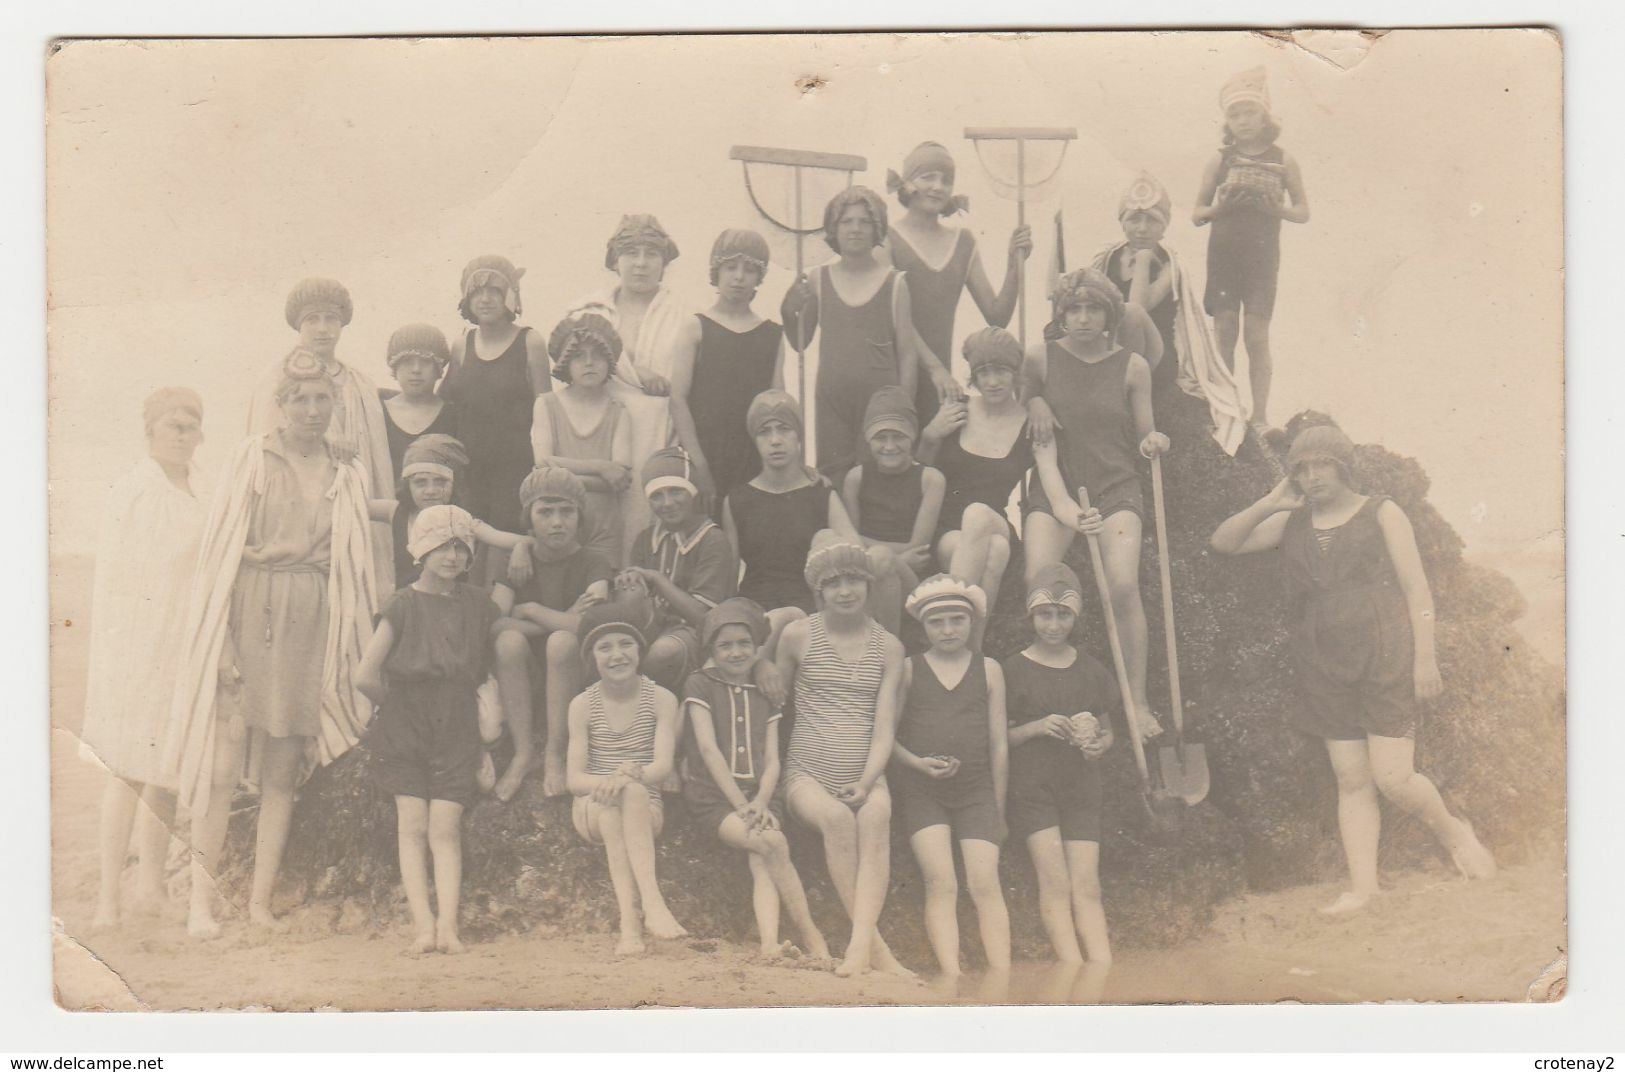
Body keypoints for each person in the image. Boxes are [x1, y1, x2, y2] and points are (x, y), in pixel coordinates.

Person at [1210, 424, 1495, 916]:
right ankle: (1364, 889)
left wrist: (1424, 658)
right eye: (1301, 468)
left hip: (1383, 655)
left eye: (1321, 464)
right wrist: (1271, 501)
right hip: (1321, 660)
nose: (1312, 476)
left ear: (1343, 466)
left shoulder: (1382, 511)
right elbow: (1225, 543)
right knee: (1351, 779)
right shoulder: (1293, 523)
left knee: (1393, 778)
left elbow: (1417, 591)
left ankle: (1455, 833)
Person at [165, 349, 379, 939]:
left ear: (335, 407)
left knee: (283, 767)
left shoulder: (345, 468)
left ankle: (258, 901)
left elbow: (356, 544)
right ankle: (200, 906)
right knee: (223, 766)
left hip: (311, 615)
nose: (313, 409)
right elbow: (224, 546)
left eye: (322, 400)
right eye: (300, 399)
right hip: (251, 611)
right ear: (280, 405)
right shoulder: (252, 458)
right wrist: (227, 647)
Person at [1022, 269, 1167, 742]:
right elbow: (1021, 403)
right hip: (1056, 487)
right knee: (1039, 586)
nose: (1083, 319)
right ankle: (1049, 699)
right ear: (1060, 314)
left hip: (1115, 486)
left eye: (1093, 309)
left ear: (1109, 315)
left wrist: (1154, 441)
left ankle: (1137, 702)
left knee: (1122, 585)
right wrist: (1036, 404)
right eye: (1073, 310)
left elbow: (1145, 431)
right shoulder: (1039, 359)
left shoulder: (1132, 367)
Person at [82, 388, 208, 930]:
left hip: (184, 643)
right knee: (128, 769)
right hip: (136, 644)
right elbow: (121, 575)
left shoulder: (202, 490)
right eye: (172, 425)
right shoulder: (134, 490)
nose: (182, 434)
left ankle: (151, 887)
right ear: (150, 430)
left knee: (168, 771)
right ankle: (108, 897)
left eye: (190, 426)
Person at [354, 506, 500, 955]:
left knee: (445, 827)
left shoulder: (477, 604)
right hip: (405, 719)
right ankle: (423, 926)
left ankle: (448, 928)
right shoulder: (402, 603)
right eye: (441, 547)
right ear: (421, 551)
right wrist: (394, 708)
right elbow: (365, 675)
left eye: (459, 547)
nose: (452, 557)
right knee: (412, 825)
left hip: (456, 719)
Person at [774, 531, 912, 979]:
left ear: (869, 585)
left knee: (875, 818)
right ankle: (877, 951)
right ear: (819, 589)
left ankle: (858, 948)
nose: (845, 591)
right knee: (835, 819)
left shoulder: (889, 647)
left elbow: (884, 726)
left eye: (854, 579)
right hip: (807, 770)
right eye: (833, 583)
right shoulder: (798, 636)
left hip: (866, 769)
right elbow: (773, 700)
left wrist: (869, 780)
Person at [681, 597, 830, 962]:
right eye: (725, 645)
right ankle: (815, 941)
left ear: (757, 647)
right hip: (715, 797)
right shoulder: (700, 685)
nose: (735, 653)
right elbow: (708, 749)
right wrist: (743, 805)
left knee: (765, 852)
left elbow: (774, 761)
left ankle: (769, 945)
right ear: (711, 650)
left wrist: (761, 801)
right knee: (773, 844)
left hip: (760, 796)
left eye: (744, 644)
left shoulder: (767, 690)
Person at [785, 186, 961, 477]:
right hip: (832, 401)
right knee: (834, 478)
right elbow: (799, 343)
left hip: (881, 402)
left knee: (877, 479)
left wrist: (903, 410)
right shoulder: (818, 279)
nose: (855, 229)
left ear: (877, 228)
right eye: (846, 221)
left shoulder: (894, 283)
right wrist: (788, 310)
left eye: (864, 222)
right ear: (834, 228)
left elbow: (906, 354)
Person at [890, 576, 1010, 992]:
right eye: (937, 622)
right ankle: (951, 978)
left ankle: (1002, 979)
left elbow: (998, 745)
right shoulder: (908, 669)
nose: (947, 630)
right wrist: (917, 765)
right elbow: (884, 735)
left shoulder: (989, 669)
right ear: (923, 627)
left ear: (972, 622)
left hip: (978, 791)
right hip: (924, 792)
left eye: (956, 620)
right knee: (942, 882)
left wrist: (999, 806)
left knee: (983, 882)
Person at [1003, 564, 1117, 974]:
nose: (1053, 624)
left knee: (1087, 886)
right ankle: (1070, 966)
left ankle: (1101, 970)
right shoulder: (1011, 669)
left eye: (1063, 615)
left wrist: (1098, 744)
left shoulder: (1091, 669)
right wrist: (1036, 727)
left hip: (1082, 788)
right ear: (1030, 616)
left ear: (1076, 616)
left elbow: (1107, 731)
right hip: (1033, 790)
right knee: (1055, 884)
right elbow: (997, 738)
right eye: (1045, 614)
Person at [247, 278, 396, 591]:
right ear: (299, 327)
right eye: (312, 319)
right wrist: (329, 443)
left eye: (331, 319)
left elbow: (378, 458)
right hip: (300, 509)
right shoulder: (277, 377)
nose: (323, 328)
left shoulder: (360, 382)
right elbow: (267, 448)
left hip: (358, 501)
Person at [567, 600, 689, 956]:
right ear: (592, 657)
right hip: (591, 805)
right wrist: (611, 781)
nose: (616, 655)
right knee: (609, 807)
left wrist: (626, 780)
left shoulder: (661, 699)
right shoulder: (582, 705)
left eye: (626, 644)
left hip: (643, 807)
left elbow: (662, 767)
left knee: (630, 796)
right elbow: (575, 780)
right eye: (605, 648)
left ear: (640, 650)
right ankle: (651, 905)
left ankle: (631, 928)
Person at [721, 390, 890, 647]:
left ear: (798, 435)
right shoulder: (737, 500)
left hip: (812, 607)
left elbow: (855, 557)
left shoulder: (820, 494)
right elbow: (728, 579)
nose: (775, 440)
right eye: (765, 432)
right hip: (755, 607)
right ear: (754, 440)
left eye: (784, 429)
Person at [1193, 67, 1311, 429]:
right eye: (1235, 114)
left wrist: (1277, 209)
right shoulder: (1220, 159)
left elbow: (1303, 211)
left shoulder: (1283, 159)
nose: (1243, 121)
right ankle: (1227, 408)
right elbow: (1198, 213)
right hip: (1224, 254)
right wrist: (1222, 207)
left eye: (1250, 112)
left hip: (1261, 257)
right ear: (1227, 120)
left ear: (1265, 116)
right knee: (1225, 329)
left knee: (1257, 337)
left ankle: (1260, 415)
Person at [885, 140, 1032, 424]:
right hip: (895, 373)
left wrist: (1014, 262)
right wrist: (935, 369)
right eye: (928, 177)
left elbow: (997, 315)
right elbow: (892, 316)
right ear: (907, 183)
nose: (938, 186)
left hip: (941, 383)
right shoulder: (887, 238)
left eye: (946, 180)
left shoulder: (963, 242)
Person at [490, 467, 614, 802]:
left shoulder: (594, 562)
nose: (557, 522)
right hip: (526, 677)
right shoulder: (513, 561)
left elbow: (585, 626)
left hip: (575, 675)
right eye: (545, 512)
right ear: (528, 518)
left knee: (561, 642)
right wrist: (563, 617)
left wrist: (530, 611)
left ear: (579, 517)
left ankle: (556, 753)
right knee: (508, 641)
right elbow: (496, 623)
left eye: (566, 511)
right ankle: (523, 752)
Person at [570, 215, 688, 554]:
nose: (640, 263)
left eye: (651, 253)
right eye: (630, 252)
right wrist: (635, 369)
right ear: (614, 260)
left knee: (647, 523)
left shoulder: (683, 316)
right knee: (597, 527)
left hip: (658, 433)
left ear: (664, 262)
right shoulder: (588, 312)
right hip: (598, 429)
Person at [917, 327, 1033, 635]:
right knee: (994, 551)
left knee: (978, 513)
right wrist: (930, 436)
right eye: (983, 373)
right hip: (947, 527)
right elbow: (920, 475)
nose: (992, 382)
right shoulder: (957, 411)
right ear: (973, 376)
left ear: (1015, 373)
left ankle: (945, 629)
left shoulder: (1029, 423)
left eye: (1001, 371)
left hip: (992, 518)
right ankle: (972, 651)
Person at [668, 228, 786, 510]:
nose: (739, 277)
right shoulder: (695, 327)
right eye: (731, 267)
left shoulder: (773, 335)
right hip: (705, 454)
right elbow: (678, 400)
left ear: (759, 277)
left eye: (749, 269)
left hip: (753, 457)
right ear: (716, 271)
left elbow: (777, 405)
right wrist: (699, 465)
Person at [440, 256, 546, 549]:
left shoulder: (530, 341)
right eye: (477, 291)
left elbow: (546, 412)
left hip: (514, 471)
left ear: (510, 296)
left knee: (507, 556)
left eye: (494, 291)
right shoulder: (462, 343)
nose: (485, 299)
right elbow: (446, 405)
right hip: (469, 472)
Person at [616, 447, 738, 690]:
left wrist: (657, 579)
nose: (667, 503)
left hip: (694, 634)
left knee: (662, 652)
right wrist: (628, 579)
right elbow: (631, 602)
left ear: (692, 492)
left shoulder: (712, 539)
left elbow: (703, 616)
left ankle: (643, 701)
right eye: (657, 495)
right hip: (651, 627)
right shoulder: (645, 539)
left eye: (676, 491)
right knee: (627, 595)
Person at [839, 386, 945, 635]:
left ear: (913, 436)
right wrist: (888, 555)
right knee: (878, 558)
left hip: (911, 581)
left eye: (898, 436)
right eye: (880, 437)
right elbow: (849, 542)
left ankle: (887, 650)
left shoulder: (930, 479)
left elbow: (918, 548)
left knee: (880, 557)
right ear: (868, 438)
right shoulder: (855, 478)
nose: (889, 446)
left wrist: (881, 554)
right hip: (867, 572)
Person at [531, 312, 633, 565]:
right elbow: (542, 466)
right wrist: (601, 467)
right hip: (556, 524)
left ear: (609, 361)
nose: (589, 363)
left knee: (600, 597)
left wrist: (562, 472)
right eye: (578, 356)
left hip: (603, 527)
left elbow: (619, 478)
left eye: (597, 355)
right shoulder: (546, 404)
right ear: (565, 362)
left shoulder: (618, 411)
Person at [367, 434, 532, 588]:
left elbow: (524, 541)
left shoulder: (464, 520)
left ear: (454, 484)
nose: (431, 490)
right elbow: (348, 505)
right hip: (406, 611)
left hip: (451, 610)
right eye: (420, 482)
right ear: (407, 485)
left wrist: (522, 547)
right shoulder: (396, 511)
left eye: (440, 481)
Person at [379, 323, 460, 481]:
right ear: (395, 367)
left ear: (438, 368)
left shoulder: (454, 415)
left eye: (425, 362)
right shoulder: (376, 412)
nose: (416, 369)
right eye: (408, 362)